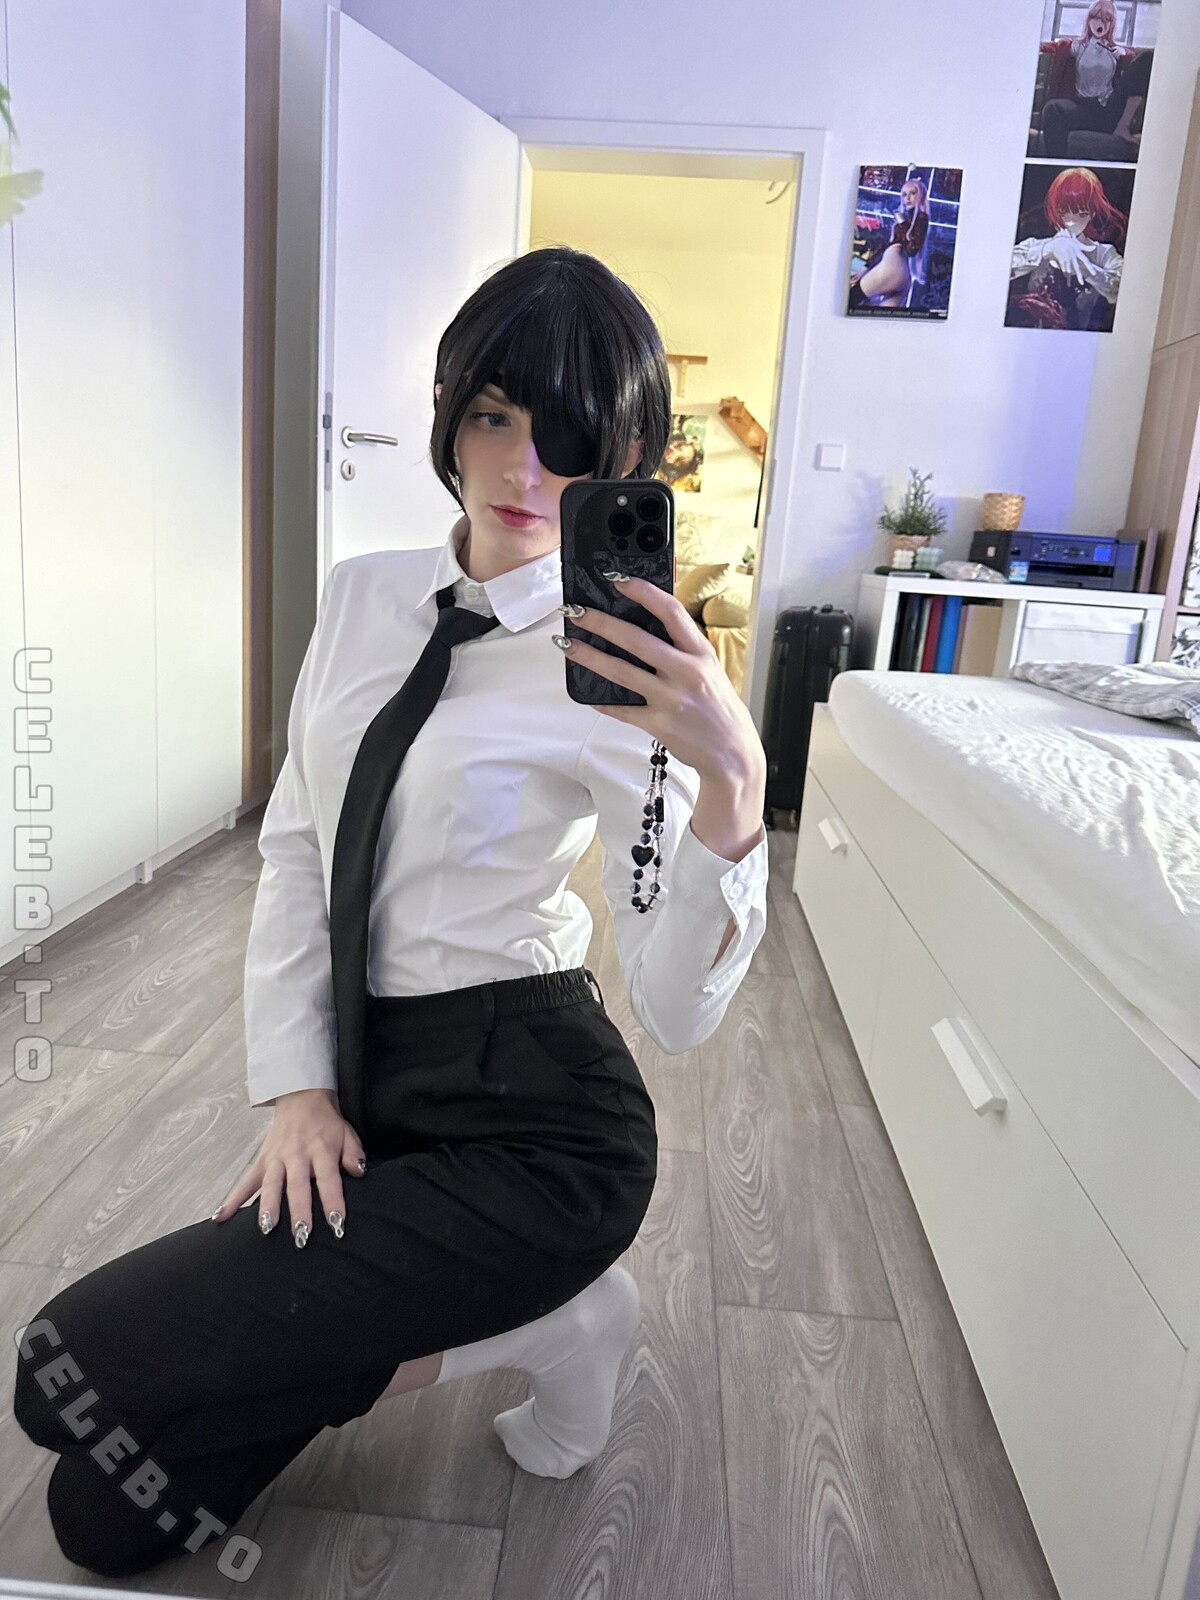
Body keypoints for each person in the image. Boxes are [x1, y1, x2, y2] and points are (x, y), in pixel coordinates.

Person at [12, 246, 770, 1579]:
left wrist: (733, 780)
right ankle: (531, 1320)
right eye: (493, 416)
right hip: (372, 1089)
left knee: (55, 1371)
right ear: (447, 415)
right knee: (104, 1516)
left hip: (540, 1123)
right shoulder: (363, 595)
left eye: (569, 439)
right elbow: (300, 848)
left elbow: (672, 1008)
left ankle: (553, 1312)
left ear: (630, 461)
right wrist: (301, 1091)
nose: (521, 470)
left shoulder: (625, 674)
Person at [1009, 165, 1126, 331]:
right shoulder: (1036, 245)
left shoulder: (1104, 253)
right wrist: (1046, 250)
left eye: (1081, 214)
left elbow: (1122, 292)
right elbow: (996, 271)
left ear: (1092, 213)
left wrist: (1085, 267)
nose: (1071, 222)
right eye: (1064, 212)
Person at [1038, 1, 1151, 161]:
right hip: (1082, 108)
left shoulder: (1116, 51)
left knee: (1146, 58)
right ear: (1089, 20)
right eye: (1097, 17)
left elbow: (1134, 72)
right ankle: (1057, 167)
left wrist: (1125, 54)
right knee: (1053, 108)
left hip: (1108, 109)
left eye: (1107, 19)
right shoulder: (1077, 46)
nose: (1101, 23)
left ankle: (1122, 127)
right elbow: (1052, 48)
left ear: (1112, 24)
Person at [850, 176, 930, 310]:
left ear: (921, 196)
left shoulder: (921, 217)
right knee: (878, 316)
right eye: (904, 194)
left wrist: (902, 222)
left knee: (851, 298)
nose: (907, 198)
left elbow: (912, 249)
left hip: (892, 268)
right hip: (902, 276)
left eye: (912, 193)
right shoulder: (910, 217)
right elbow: (887, 245)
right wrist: (866, 266)